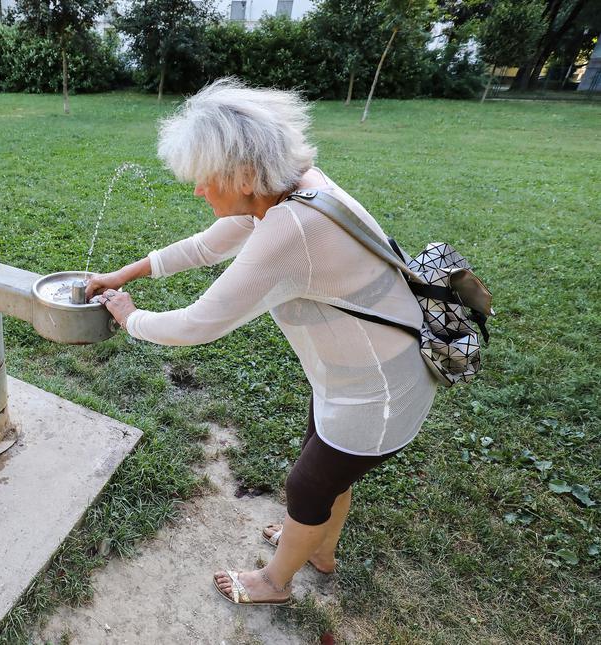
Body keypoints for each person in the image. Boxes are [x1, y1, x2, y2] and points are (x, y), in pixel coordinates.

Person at [85, 78, 438, 605]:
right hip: (352, 377)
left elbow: (199, 324)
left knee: (309, 486)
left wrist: (130, 317)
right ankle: (318, 548)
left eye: (205, 180)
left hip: (379, 392)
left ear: (246, 175)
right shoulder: (293, 190)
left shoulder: (292, 229)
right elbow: (205, 247)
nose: (198, 191)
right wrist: (123, 274)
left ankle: (275, 582)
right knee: (328, 475)